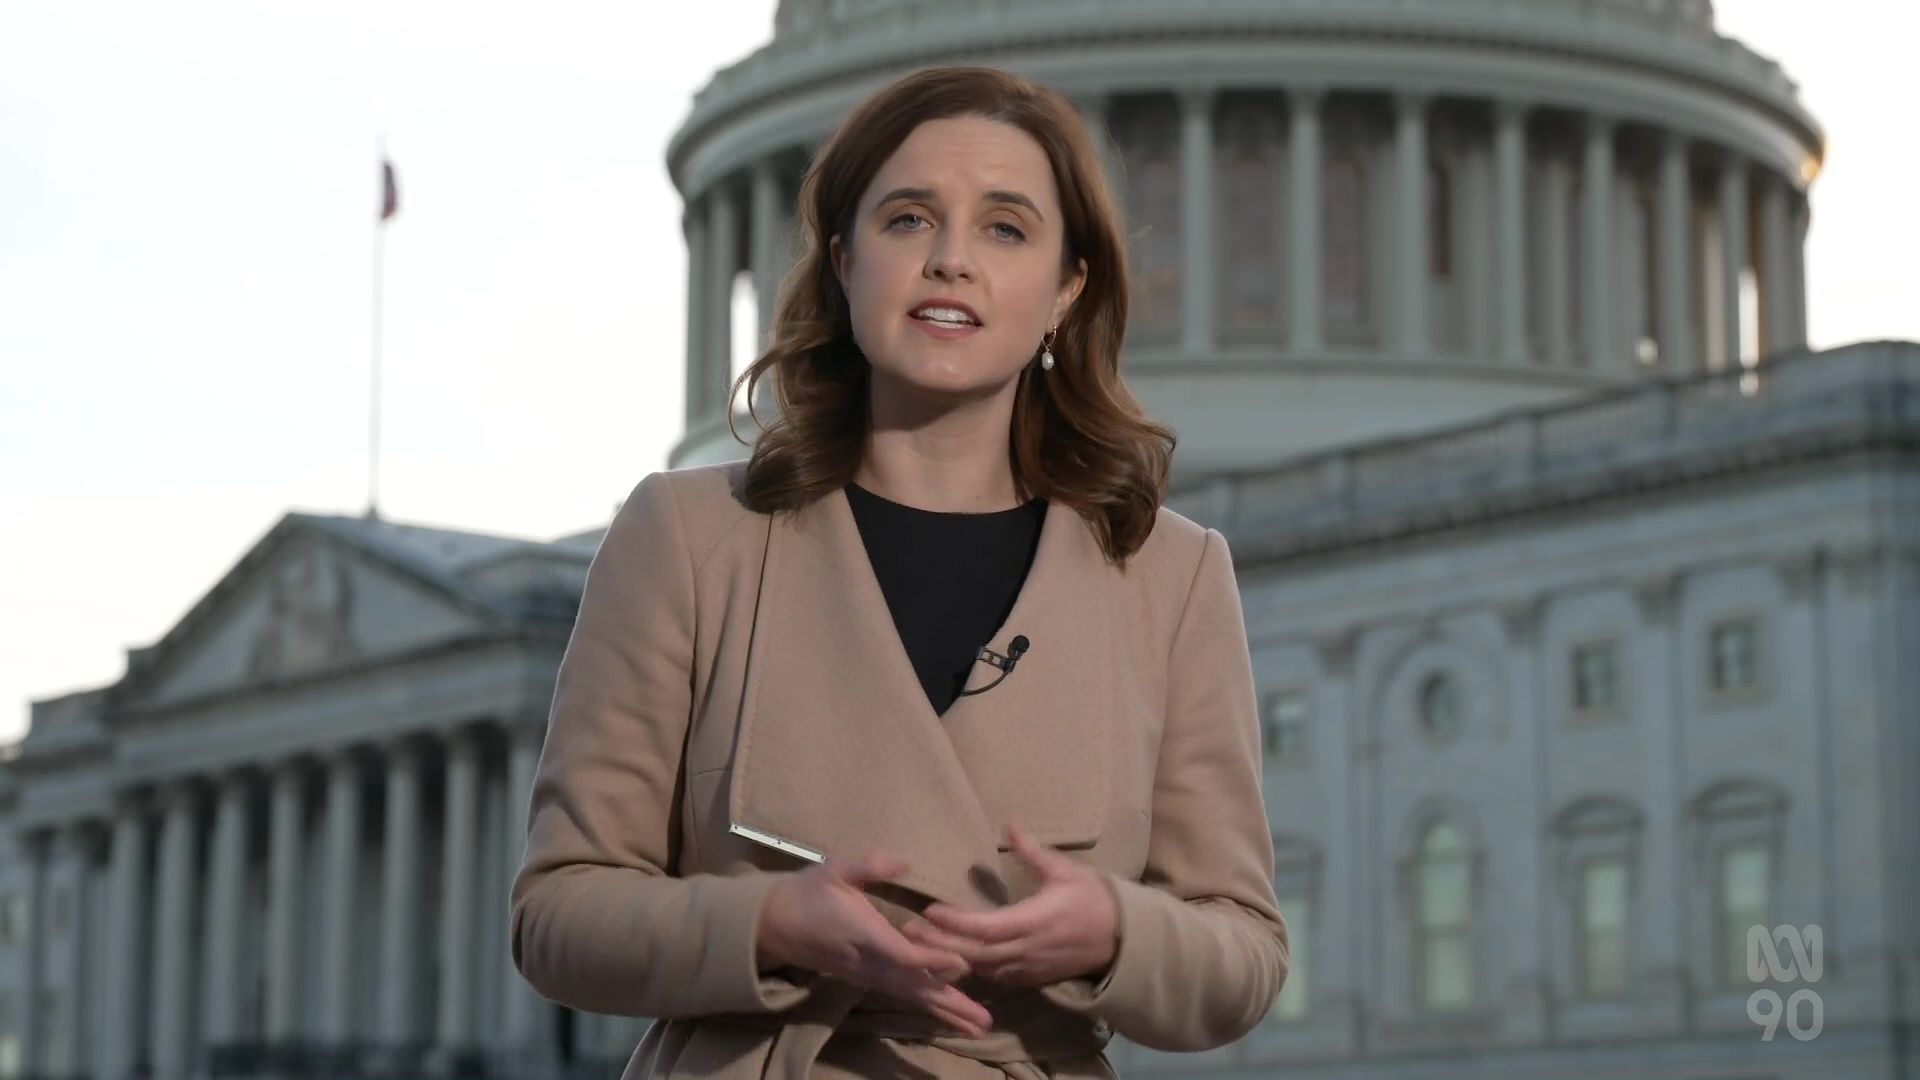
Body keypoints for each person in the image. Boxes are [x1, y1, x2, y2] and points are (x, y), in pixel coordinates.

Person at [510, 65, 1288, 1080]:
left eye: (1005, 228)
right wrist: (770, 924)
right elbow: (557, 912)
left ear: (1067, 288)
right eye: (909, 219)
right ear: (844, 261)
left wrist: (1114, 928)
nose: (951, 260)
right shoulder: (690, 540)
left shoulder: (1169, 577)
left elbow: (1244, 953)